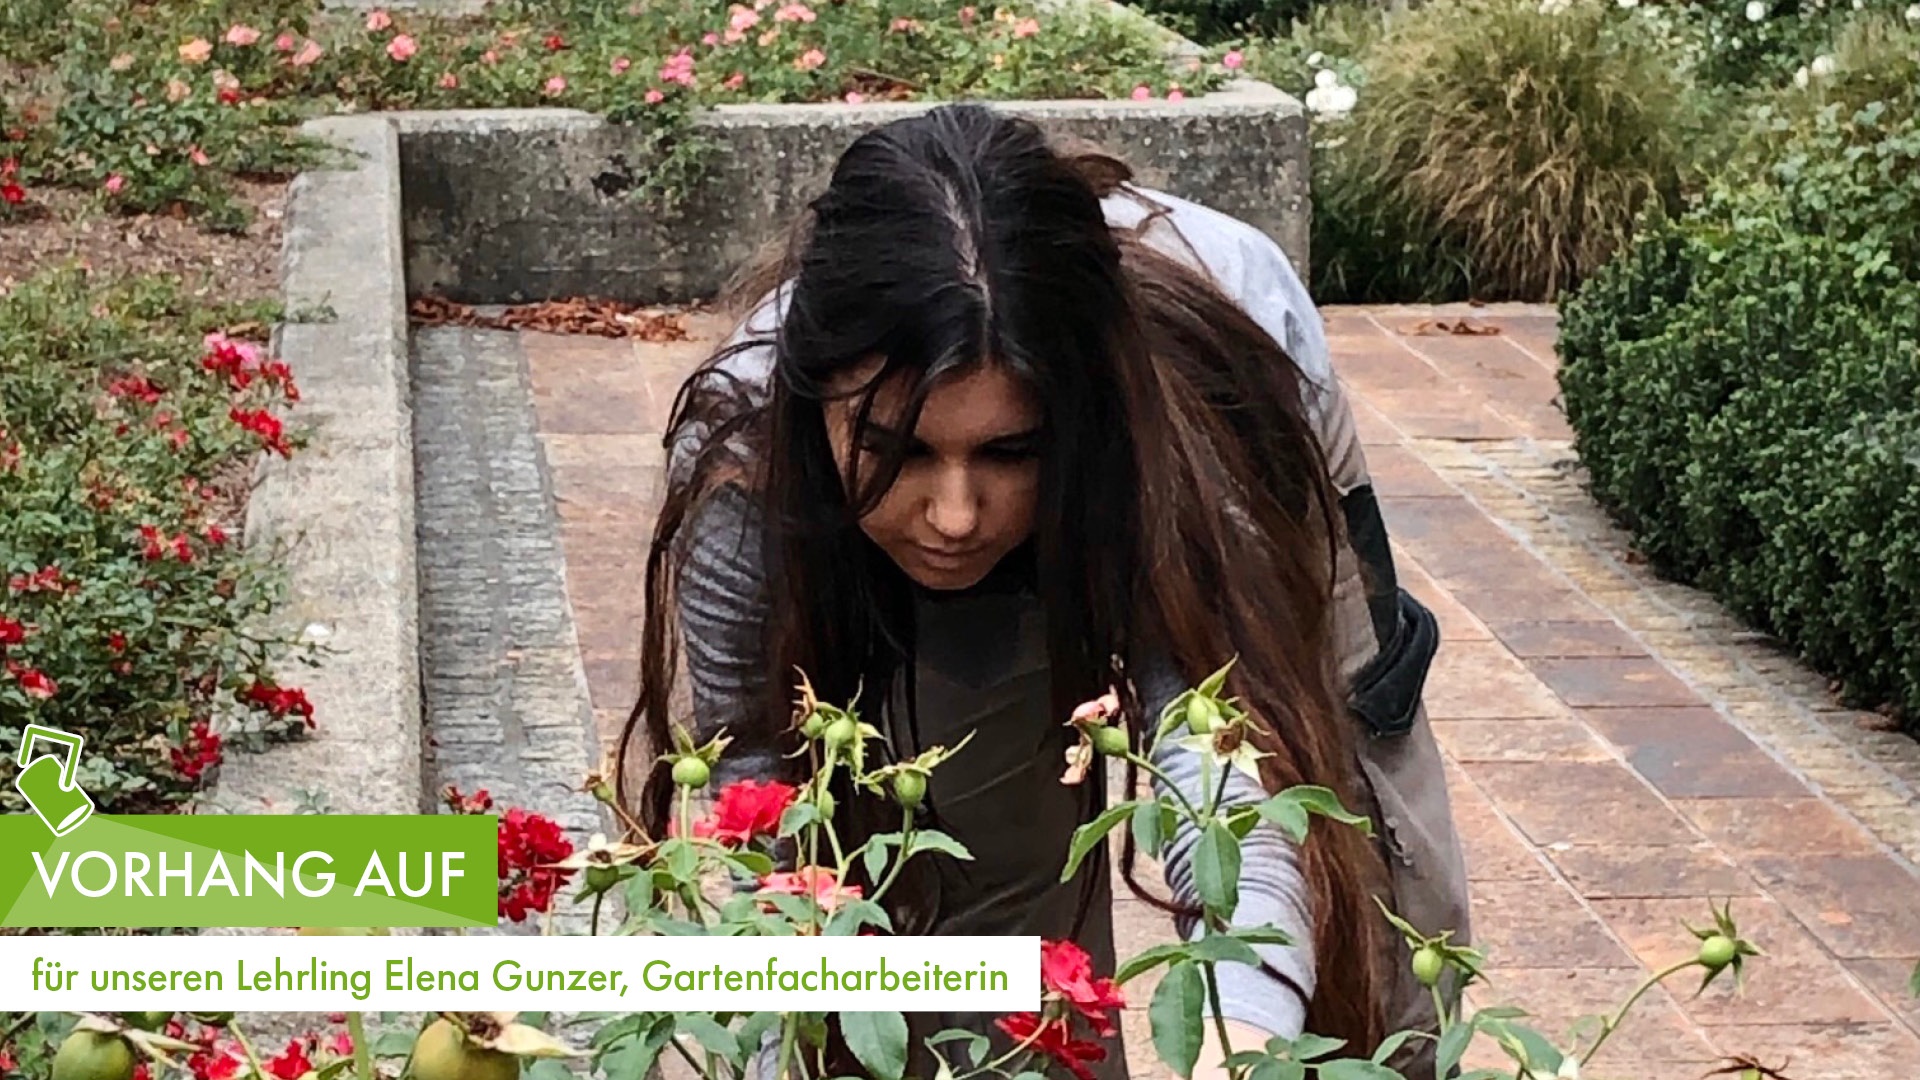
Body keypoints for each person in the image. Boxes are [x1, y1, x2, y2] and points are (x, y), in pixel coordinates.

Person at [618, 103, 1471, 1080]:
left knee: (1362, 905)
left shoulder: (1208, 396)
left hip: (1213, 442)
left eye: (1007, 450)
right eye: (897, 453)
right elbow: (759, 802)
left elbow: (1231, 785)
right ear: (816, 408)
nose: (954, 514)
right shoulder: (746, 448)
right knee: (982, 905)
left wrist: (1252, 1054)